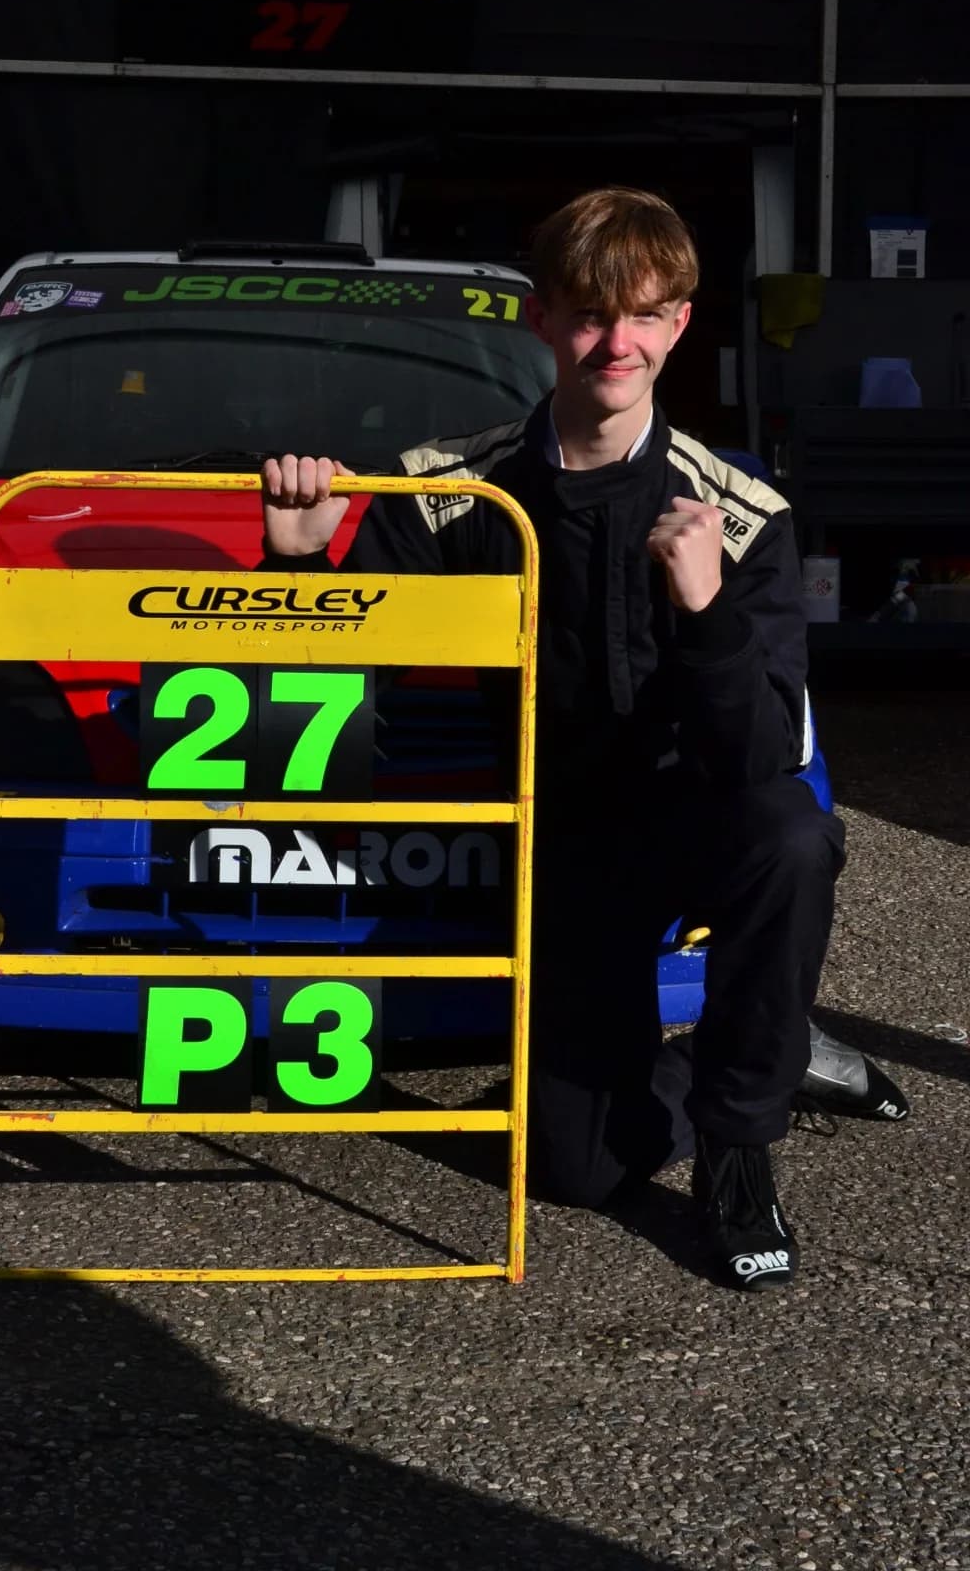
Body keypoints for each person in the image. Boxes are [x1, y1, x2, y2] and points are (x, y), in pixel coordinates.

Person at [260, 185, 907, 1294]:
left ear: (678, 324)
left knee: (792, 837)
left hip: (704, 806)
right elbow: (315, 699)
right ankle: (756, 1050)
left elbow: (756, 751)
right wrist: (297, 564)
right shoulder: (445, 493)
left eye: (645, 315)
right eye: (589, 315)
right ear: (541, 320)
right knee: (574, 1168)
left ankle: (739, 1149)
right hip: (563, 834)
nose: (618, 343)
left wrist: (701, 607)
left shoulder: (739, 508)